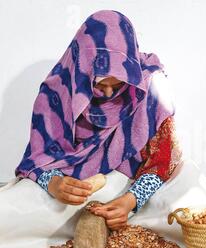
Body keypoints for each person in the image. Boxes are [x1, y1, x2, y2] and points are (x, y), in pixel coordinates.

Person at [15, 10, 182, 230]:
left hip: (130, 180)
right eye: (99, 85)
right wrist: (54, 183)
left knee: (181, 200)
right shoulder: (57, 91)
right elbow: (37, 158)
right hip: (74, 183)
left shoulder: (150, 86)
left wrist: (132, 200)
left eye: (119, 84)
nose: (110, 93)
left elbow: (162, 160)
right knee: (15, 209)